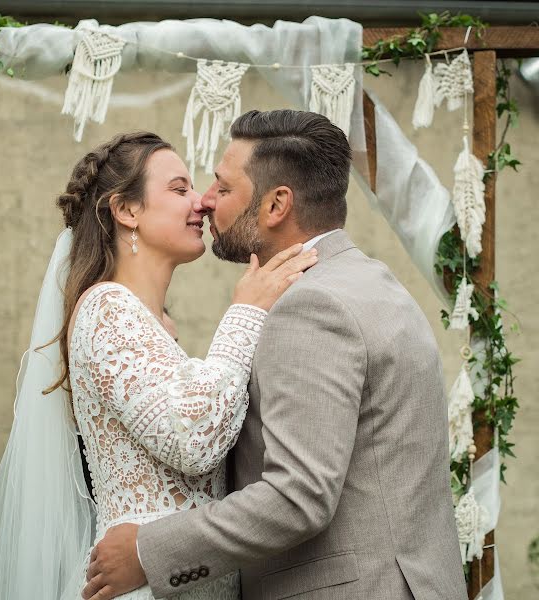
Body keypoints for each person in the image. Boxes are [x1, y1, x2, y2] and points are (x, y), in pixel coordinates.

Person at [83, 110, 467, 600]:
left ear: (276, 204)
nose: (205, 200)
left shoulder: (312, 306)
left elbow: (298, 496)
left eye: (222, 188)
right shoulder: (376, 285)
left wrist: (148, 552)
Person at [0, 131, 317, 600]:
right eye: (179, 189)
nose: (200, 202)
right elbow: (195, 438)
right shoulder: (106, 310)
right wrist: (246, 312)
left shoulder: (157, 326)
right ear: (127, 210)